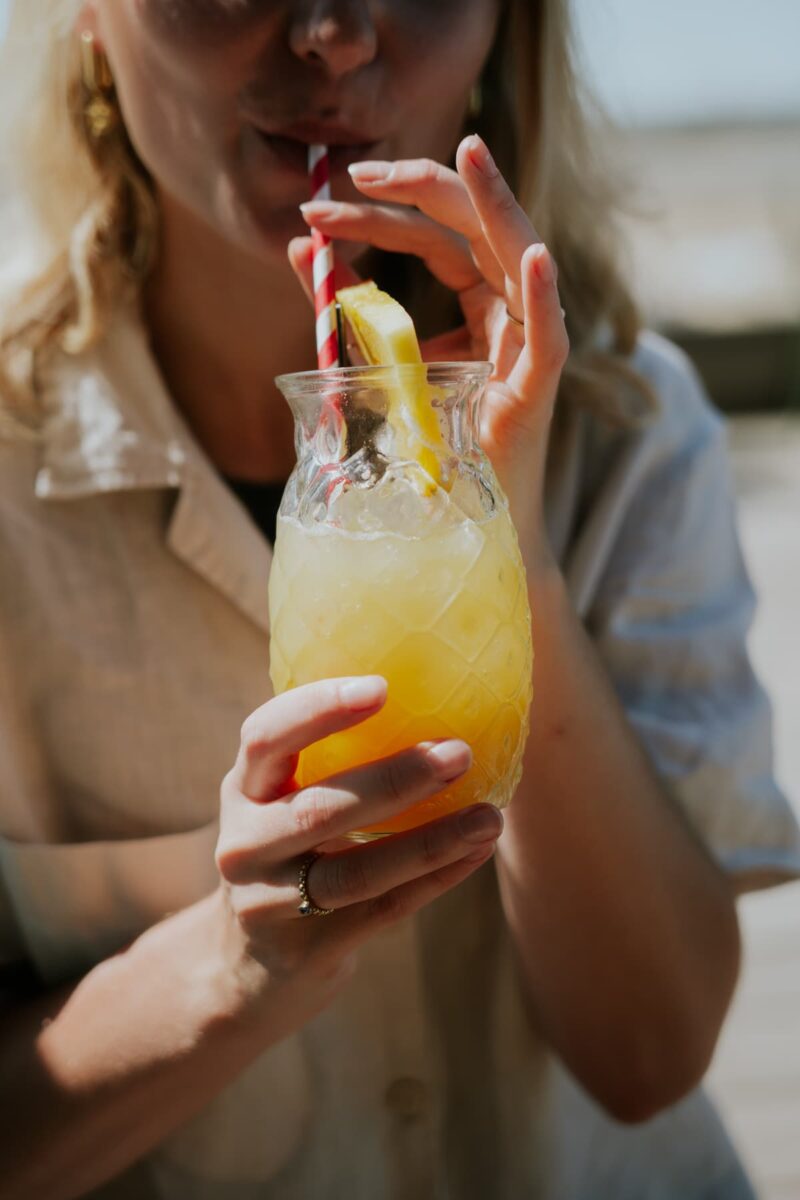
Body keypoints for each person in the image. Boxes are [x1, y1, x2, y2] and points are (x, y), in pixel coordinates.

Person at [0, 2, 797, 1197]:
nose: (330, 32)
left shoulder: (629, 424)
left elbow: (649, 1056)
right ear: (88, 20)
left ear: (503, 35)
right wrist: (226, 968)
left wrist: (503, 537)